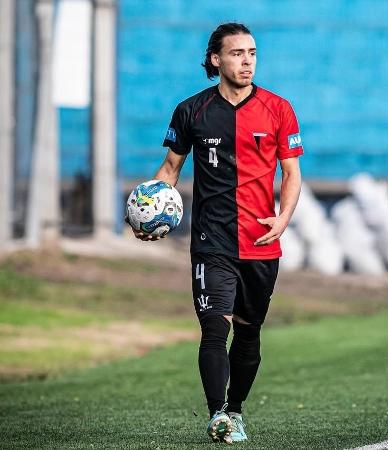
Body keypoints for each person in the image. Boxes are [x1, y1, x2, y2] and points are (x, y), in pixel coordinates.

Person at [132, 22, 303, 444]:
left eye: (252, 53)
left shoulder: (279, 109)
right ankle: (217, 415)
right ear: (215, 59)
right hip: (212, 240)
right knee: (214, 327)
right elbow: (169, 172)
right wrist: (145, 214)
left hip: (262, 242)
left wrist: (282, 219)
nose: (247, 61)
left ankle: (237, 409)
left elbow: (292, 173)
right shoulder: (191, 111)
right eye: (237, 53)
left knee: (248, 331)